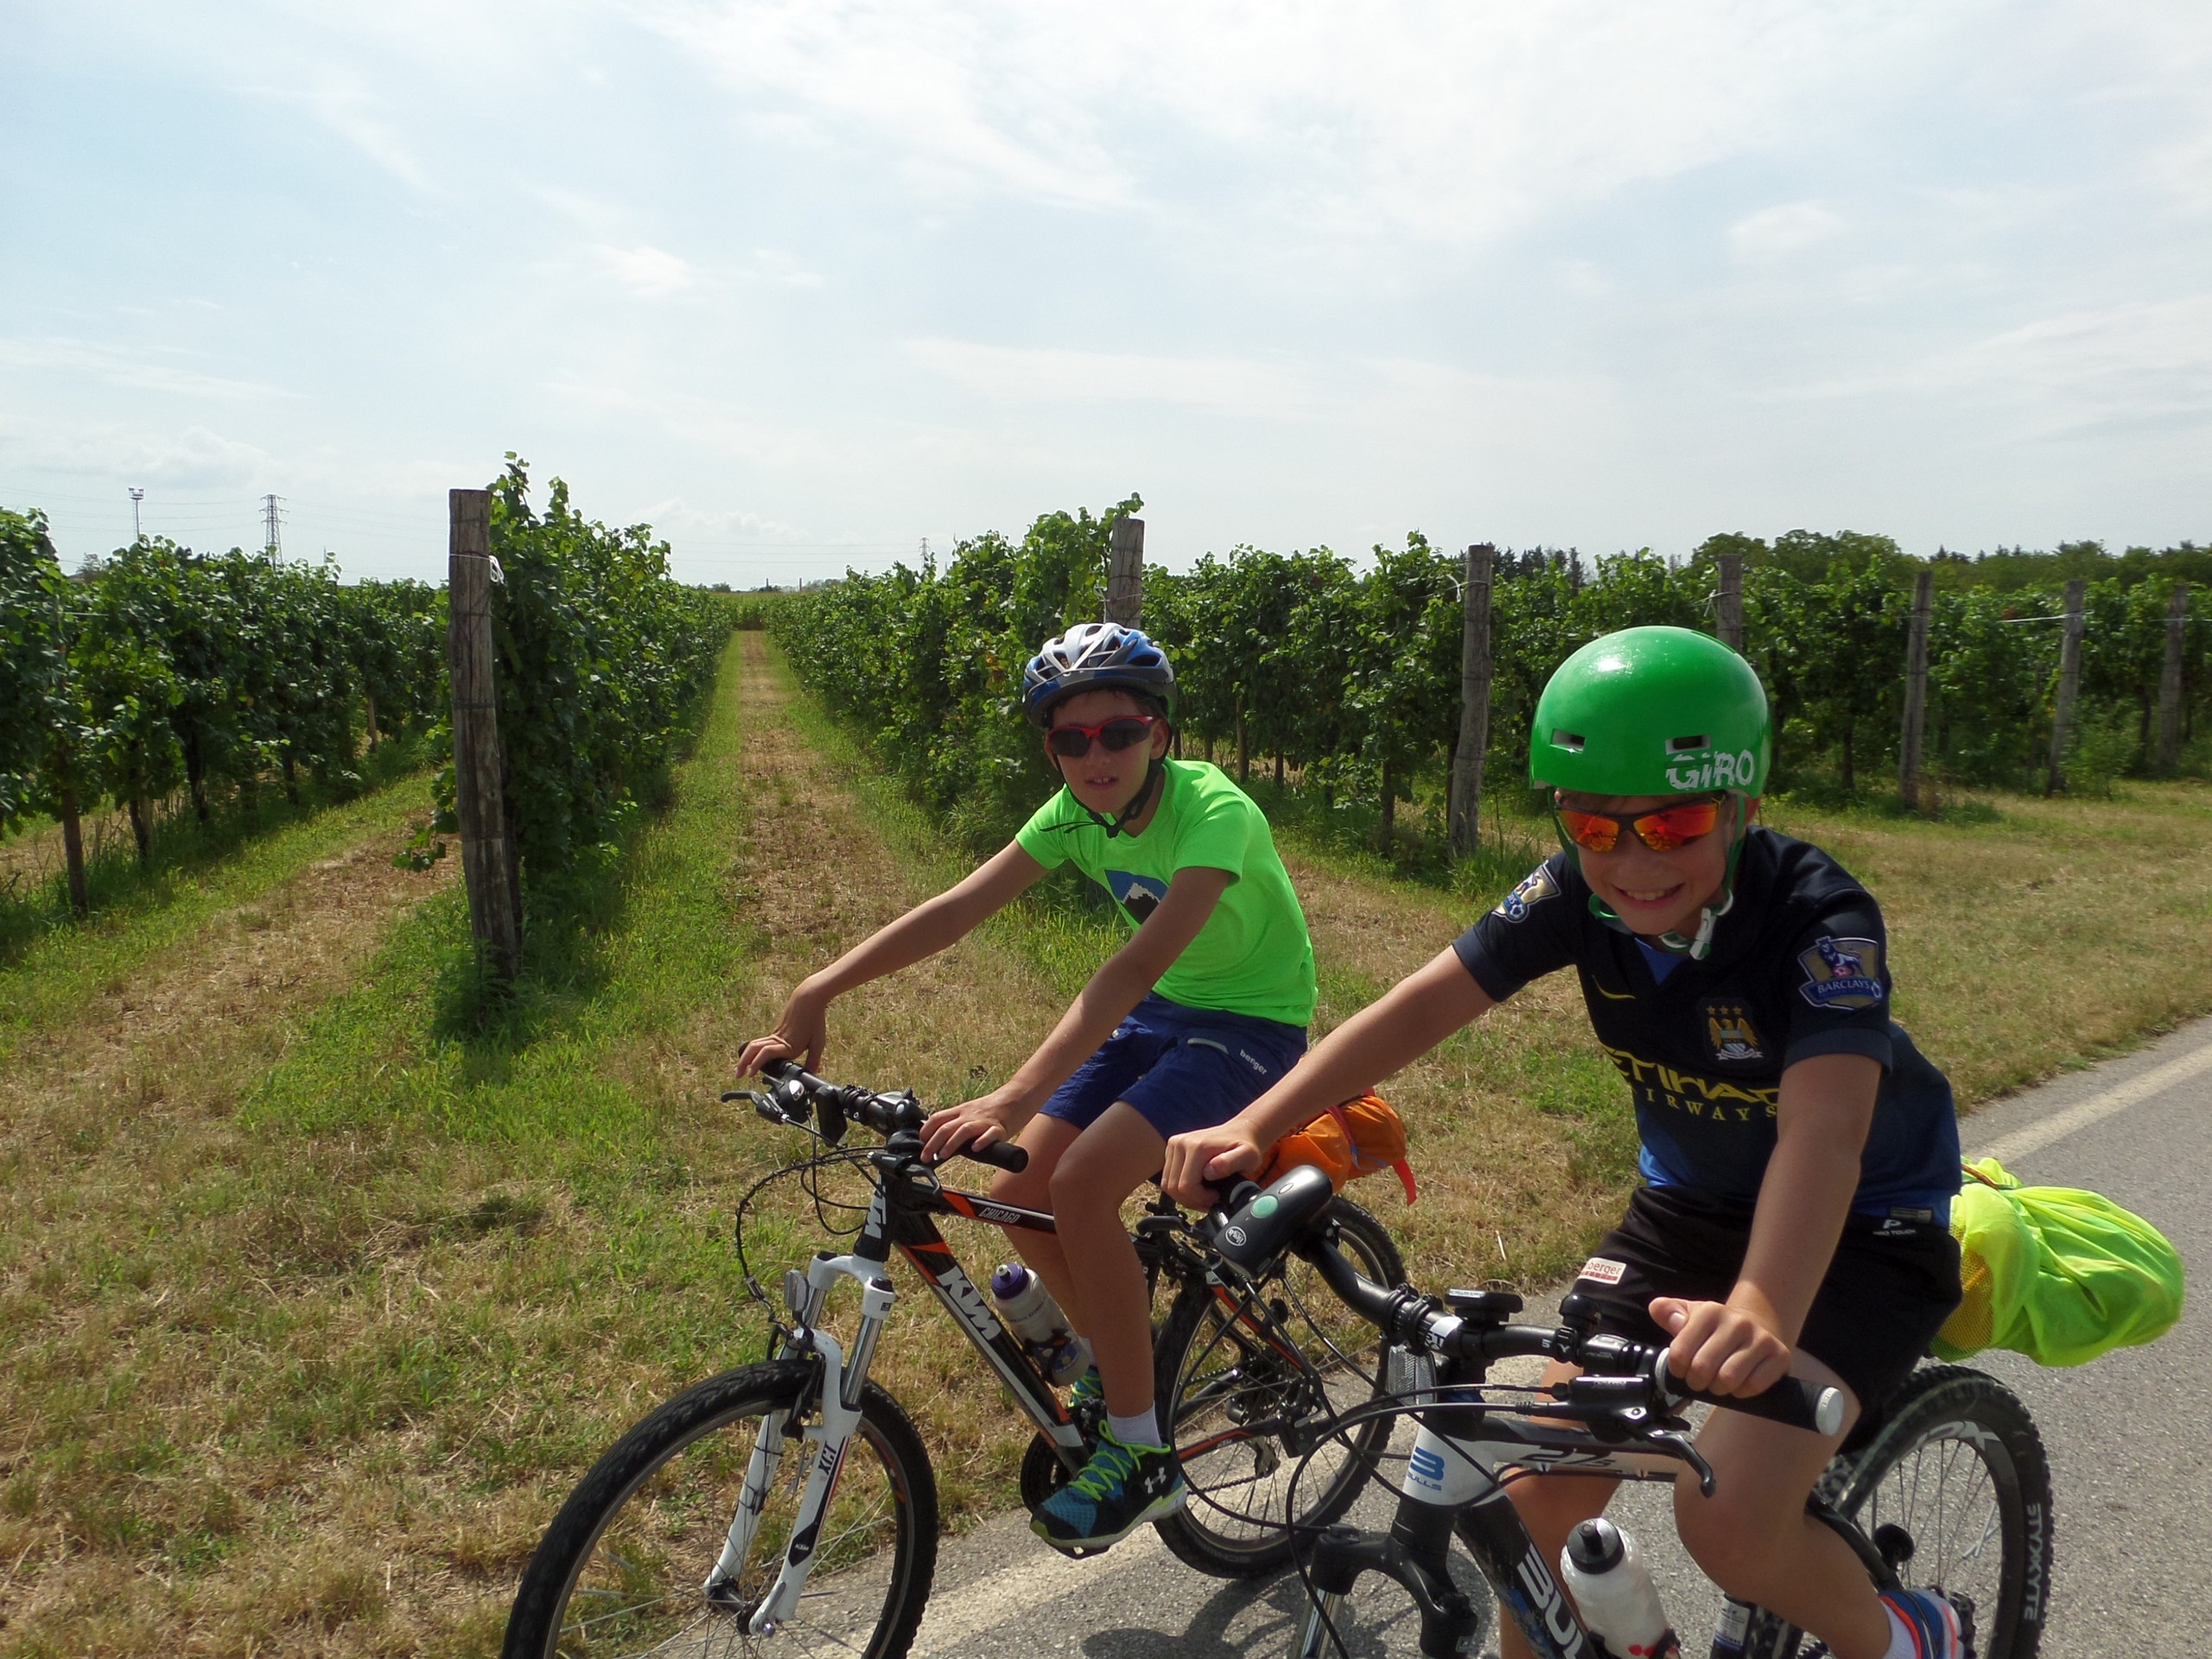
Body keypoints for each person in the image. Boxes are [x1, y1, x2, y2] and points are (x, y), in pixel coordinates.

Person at [1162, 626, 1967, 1659]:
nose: (1632, 863)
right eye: (1594, 824)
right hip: (1686, 1211)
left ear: (1744, 805)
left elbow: (1824, 1129)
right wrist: (1253, 1122)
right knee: (1531, 1494)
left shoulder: (1820, 917)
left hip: (1861, 1230)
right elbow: (1422, 1006)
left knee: (1720, 1519)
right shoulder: (1575, 894)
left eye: (1673, 824)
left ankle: (1912, 1638)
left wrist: (1761, 1306)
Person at [740, 620, 1319, 1555]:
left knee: (1085, 1183)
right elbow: (959, 907)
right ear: (1050, 746)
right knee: (1014, 1196)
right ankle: (1120, 1364)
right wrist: (818, 987)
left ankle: (1140, 1451)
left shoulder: (1214, 811)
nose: (1096, 756)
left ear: (1158, 737)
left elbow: (1127, 973)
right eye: (1071, 739)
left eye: (1119, 733)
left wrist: (1012, 1095)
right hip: (1166, 1013)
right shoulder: (1072, 814)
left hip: (1250, 1026)